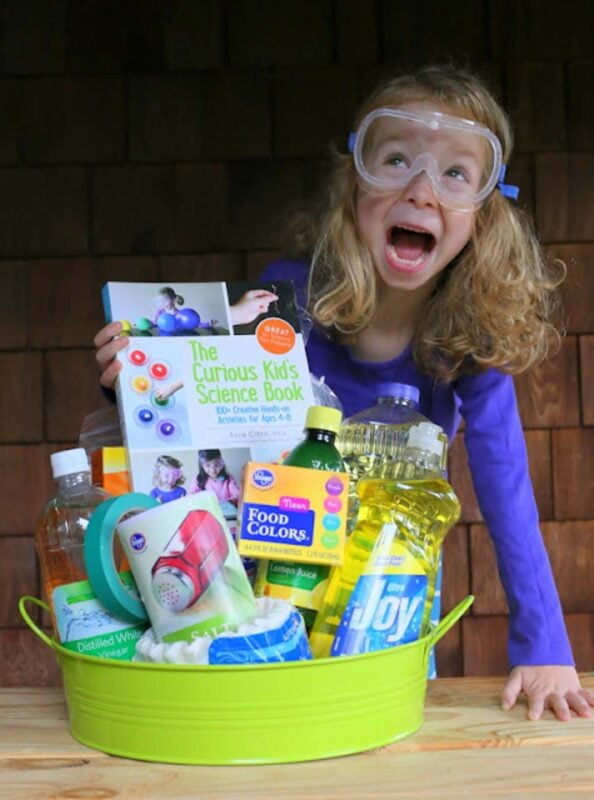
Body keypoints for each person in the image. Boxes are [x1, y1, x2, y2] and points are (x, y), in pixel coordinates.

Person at [93, 64, 593, 722]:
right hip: (272, 580)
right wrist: (142, 373)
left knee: (378, 732)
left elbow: (508, 487)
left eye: (454, 174)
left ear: (482, 212)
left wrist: (546, 646)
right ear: (355, 183)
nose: (420, 189)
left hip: (389, 592)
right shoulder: (286, 299)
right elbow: (205, 429)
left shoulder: (471, 343)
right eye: (395, 159)